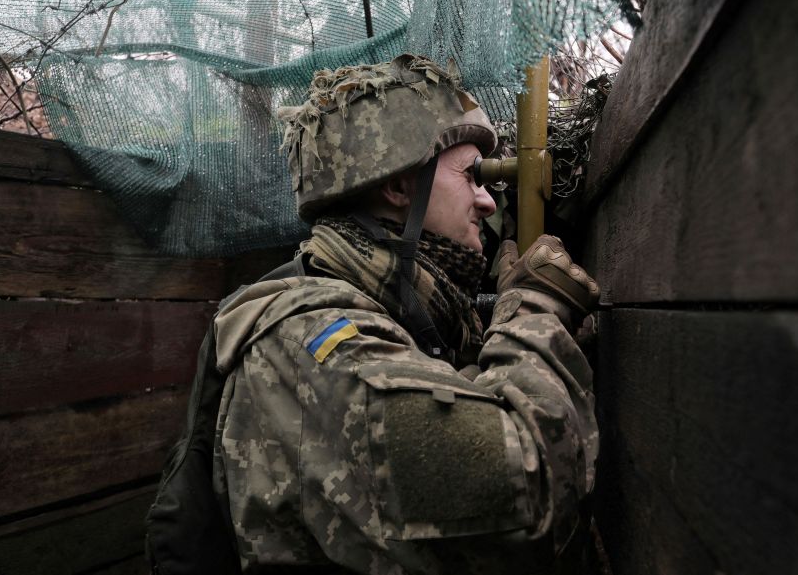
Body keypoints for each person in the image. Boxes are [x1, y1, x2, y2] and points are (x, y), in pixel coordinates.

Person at [211, 54, 600, 574]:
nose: (487, 202)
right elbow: (528, 498)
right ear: (399, 187)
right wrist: (535, 316)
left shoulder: (391, 314)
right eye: (472, 176)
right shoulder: (312, 339)